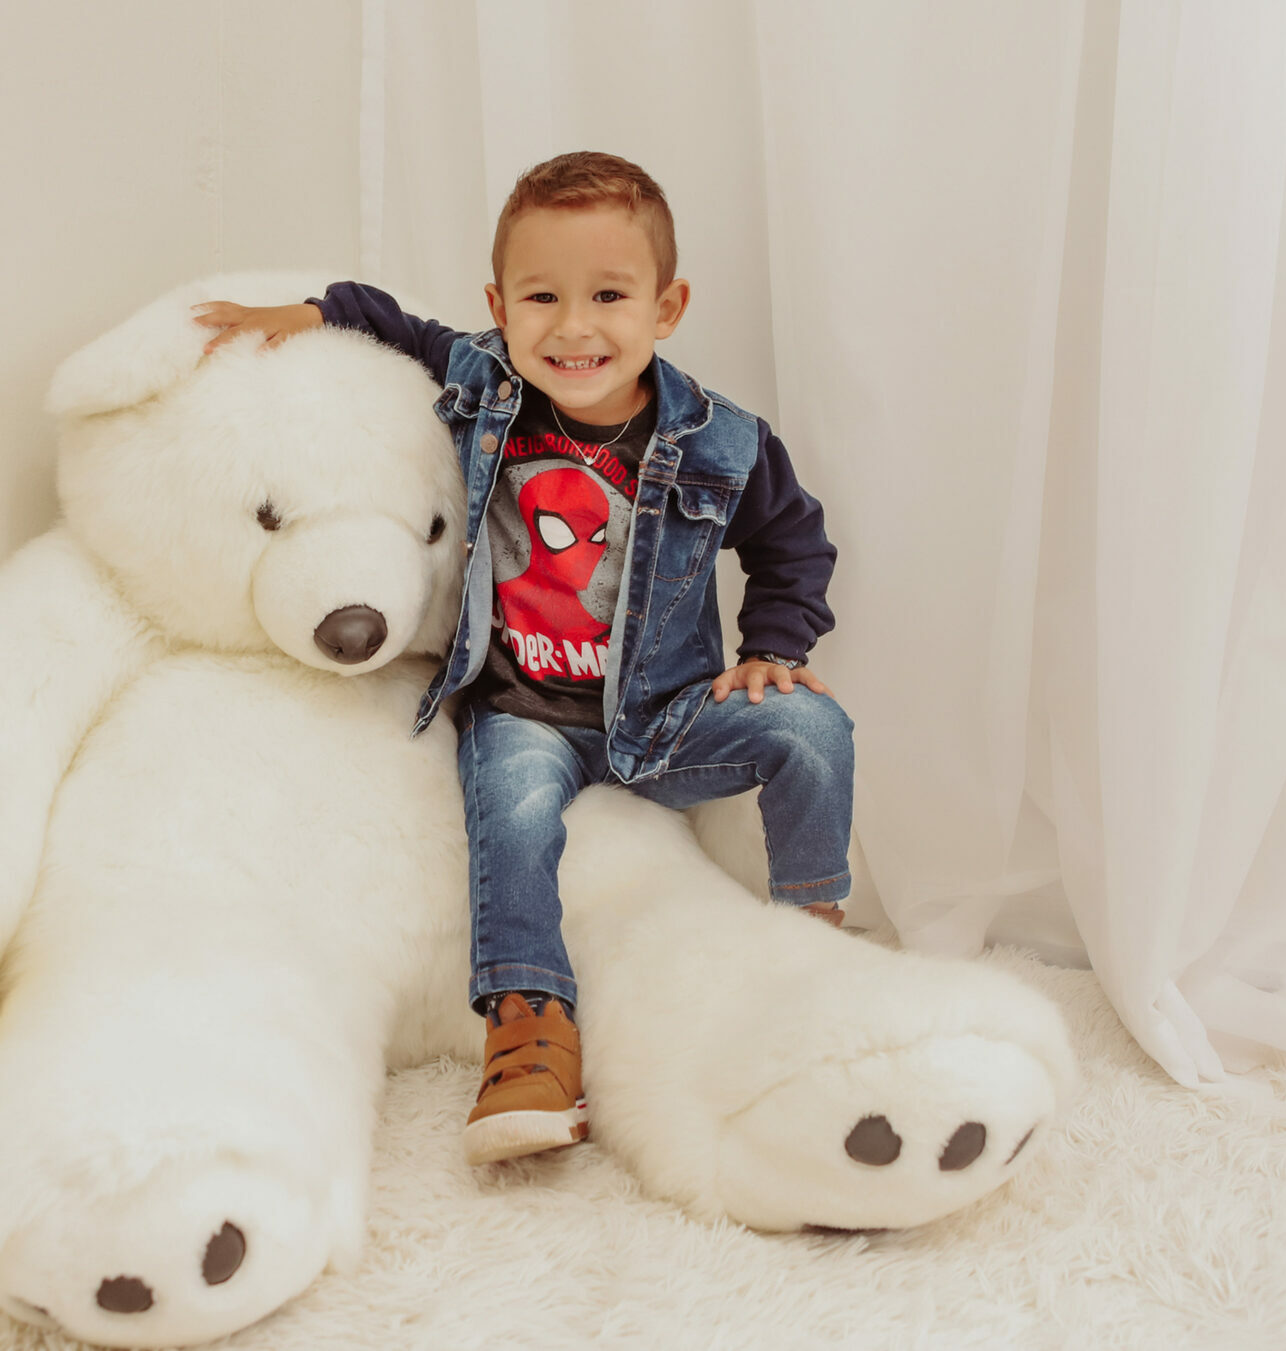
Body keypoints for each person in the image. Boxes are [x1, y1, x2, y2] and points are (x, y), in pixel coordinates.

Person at [193, 152, 854, 1166]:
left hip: (662, 716)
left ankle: (814, 943)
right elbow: (393, 323)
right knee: (508, 809)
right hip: (523, 707)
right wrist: (310, 313)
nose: (574, 328)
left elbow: (792, 540)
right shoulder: (486, 384)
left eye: (609, 297)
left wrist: (773, 645)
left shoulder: (723, 442)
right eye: (542, 298)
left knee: (812, 725)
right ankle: (530, 1023)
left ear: (667, 307)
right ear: (499, 308)